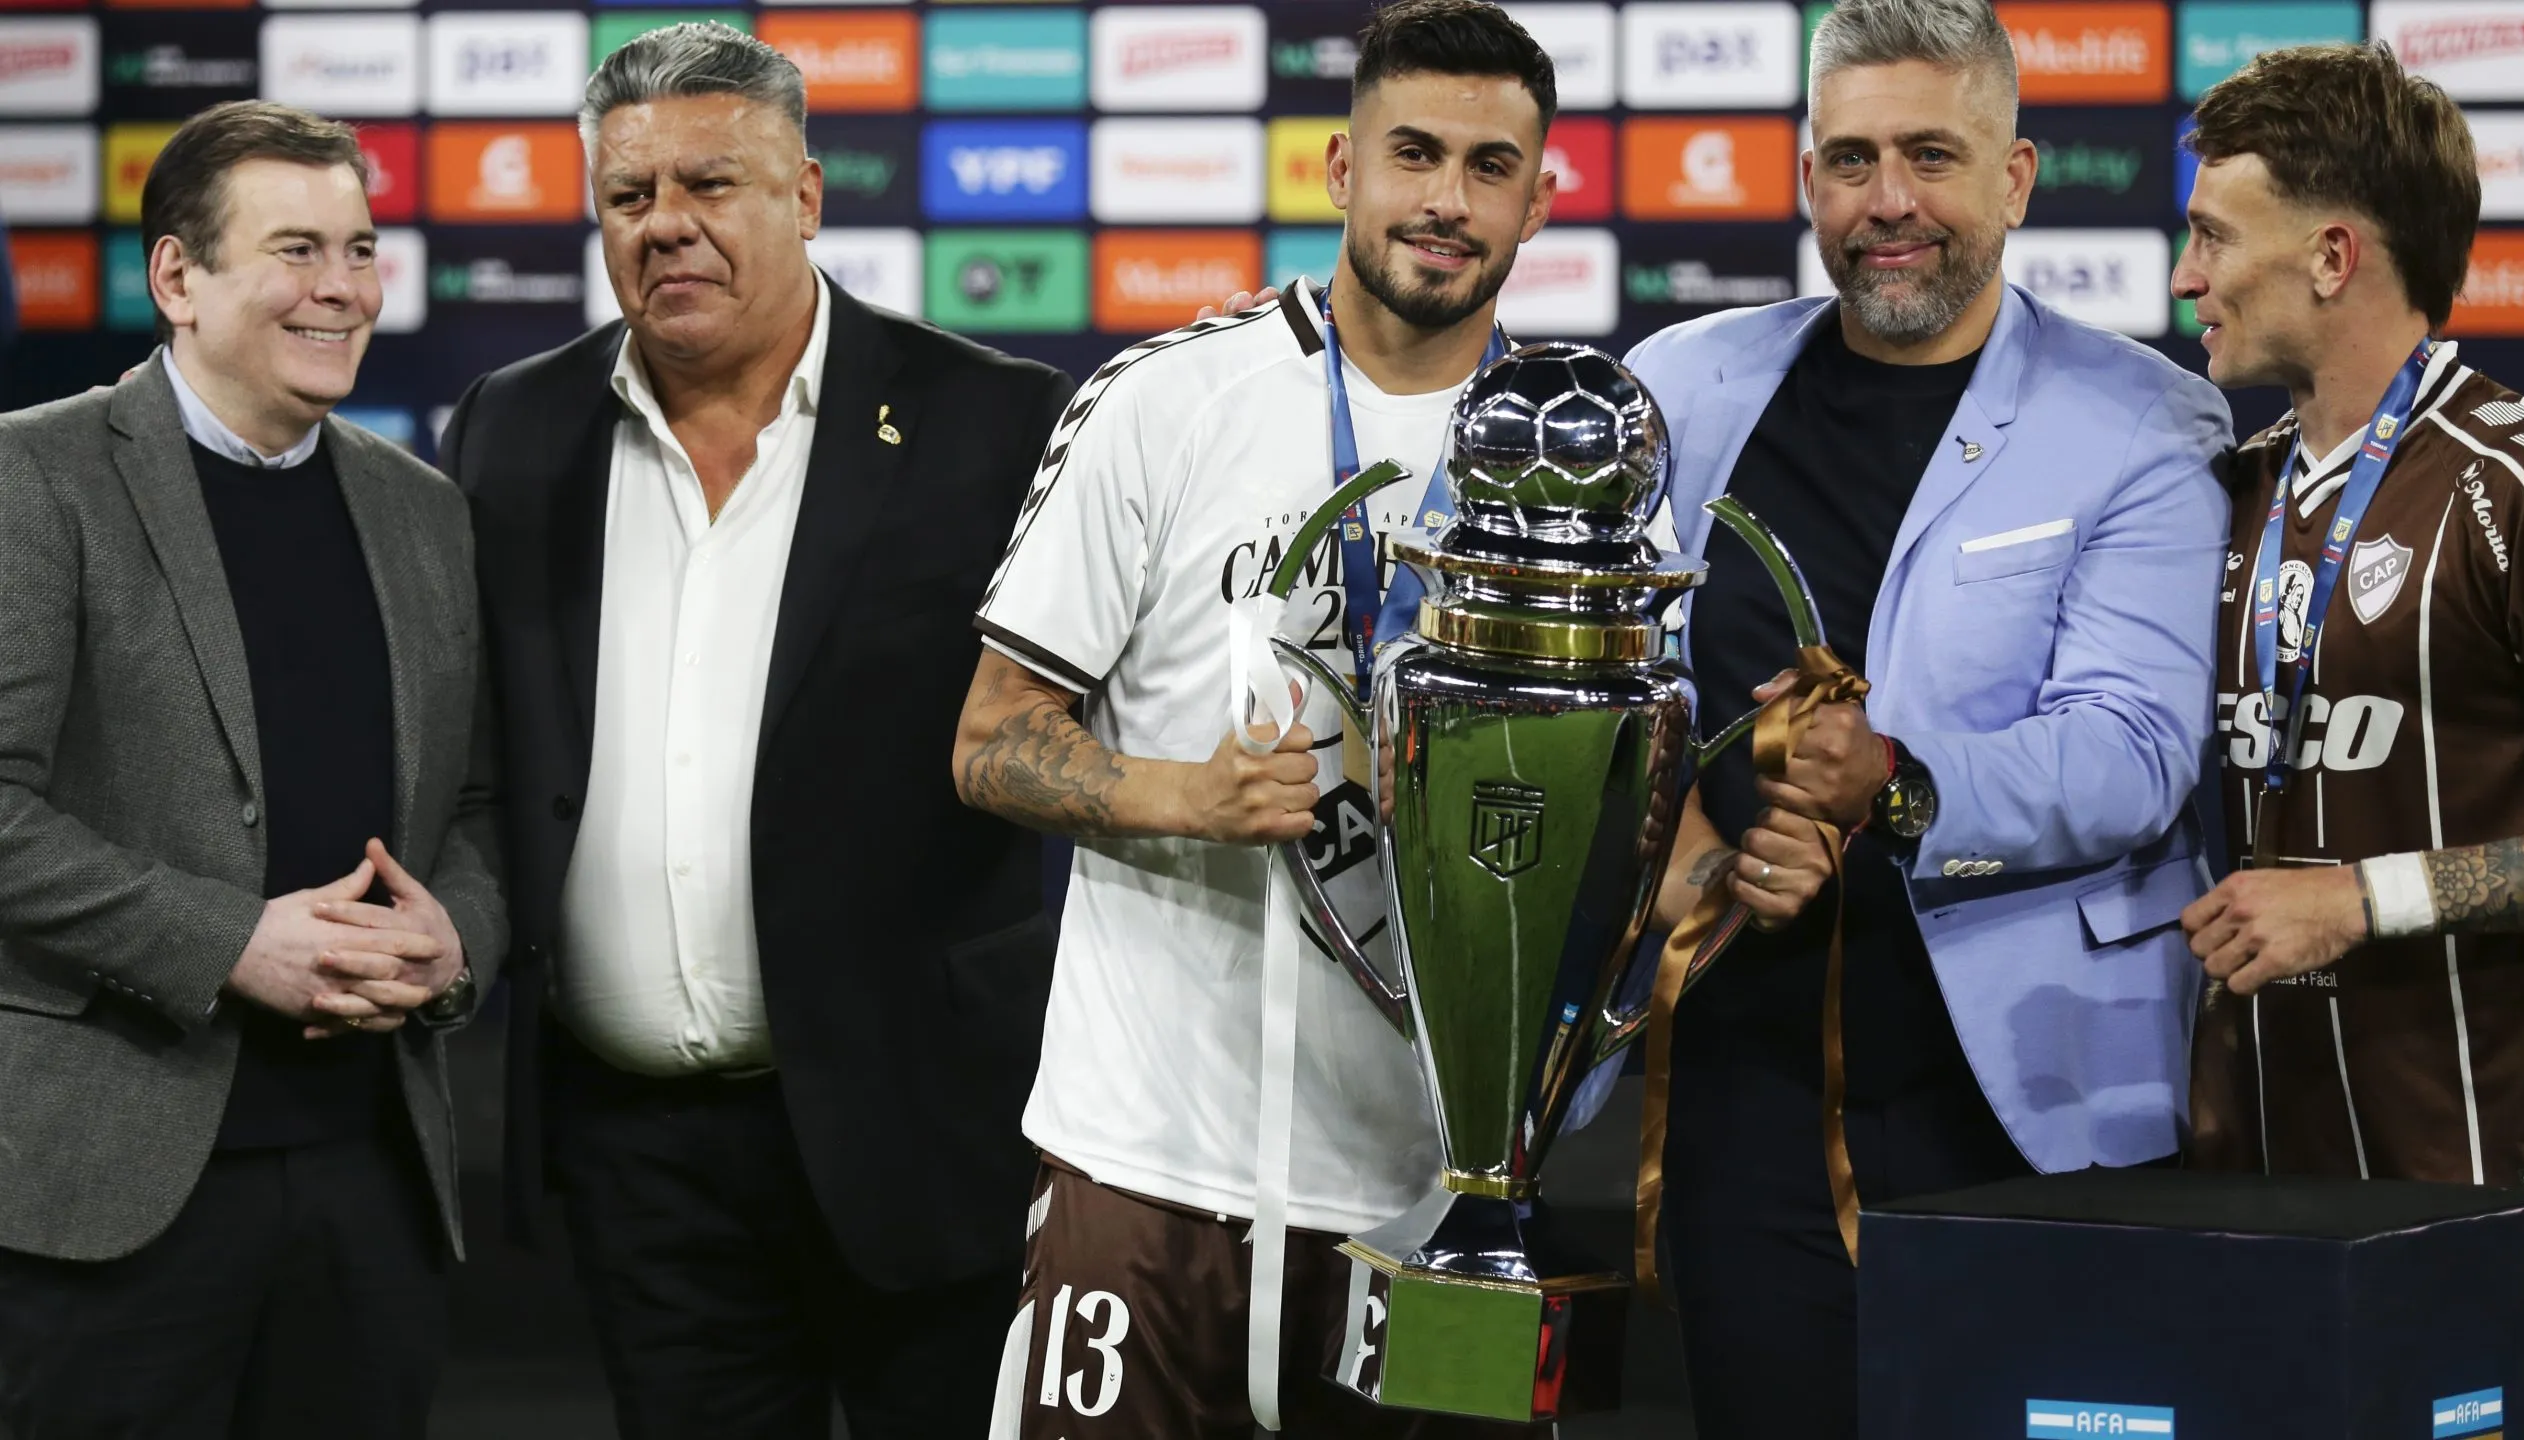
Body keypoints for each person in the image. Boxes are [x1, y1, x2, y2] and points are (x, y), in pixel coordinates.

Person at [952, 3, 1600, 1435]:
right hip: (1149, 1167)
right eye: (1412, 154)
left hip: (1436, 1188)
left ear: (1541, 198)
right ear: (1338, 169)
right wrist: (1188, 795)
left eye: (1491, 167)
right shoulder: (1166, 401)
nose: (1445, 199)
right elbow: (991, 738)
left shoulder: (1583, 461)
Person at [442, 24, 1073, 1439]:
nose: (667, 226)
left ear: (804, 196)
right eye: (629, 197)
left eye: (710, 185)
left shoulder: (993, 424)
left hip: (921, 1131)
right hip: (636, 1158)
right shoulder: (510, 429)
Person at [1618, 1, 2236, 1435]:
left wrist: (1893, 775)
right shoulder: (1683, 386)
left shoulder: (2144, 420)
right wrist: (1684, 857)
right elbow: (1612, 696)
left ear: (2015, 179)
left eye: (1930, 157)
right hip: (1747, 1085)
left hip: (2038, 1095)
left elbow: (2137, 749)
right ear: (1806, 178)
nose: (1887, 202)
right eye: (1850, 159)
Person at [0, 100, 503, 1439]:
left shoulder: (422, 509)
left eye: (359, 248)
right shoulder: (32, 480)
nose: (340, 289)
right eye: (295, 250)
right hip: (113, 1199)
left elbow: (478, 809)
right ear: (179, 277)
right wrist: (233, 941)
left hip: (376, 1188)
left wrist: (456, 943)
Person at [2175, 43, 2524, 1187]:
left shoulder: (2516, 488)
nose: (2187, 279)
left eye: (2213, 236)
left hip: (2482, 1187)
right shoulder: (2226, 493)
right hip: (2253, 1177)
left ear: (2331, 257)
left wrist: (2363, 899)